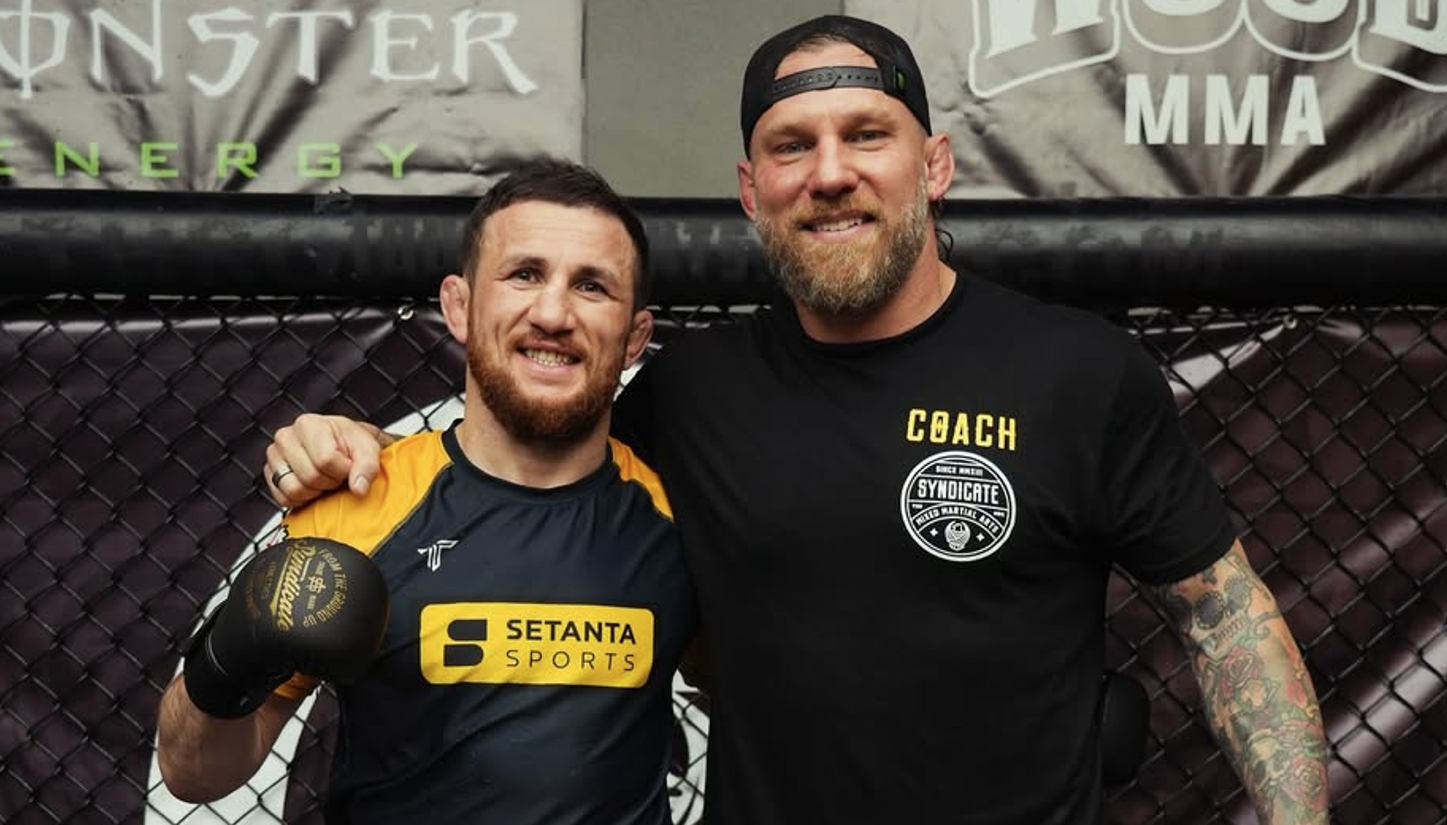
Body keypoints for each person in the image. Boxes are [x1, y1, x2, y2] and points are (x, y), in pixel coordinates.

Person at [264, 15, 1331, 825]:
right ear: (749, 188)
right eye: (791, 146)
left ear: (934, 164)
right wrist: (350, 449)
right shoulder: (689, 396)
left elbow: (1224, 617)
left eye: (865, 135)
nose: (829, 174)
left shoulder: (1077, 374)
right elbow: (521, 460)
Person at [157, 157, 698, 824]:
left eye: (591, 286)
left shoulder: (683, 522)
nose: (553, 312)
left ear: (635, 336)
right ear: (460, 307)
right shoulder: (359, 502)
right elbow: (190, 773)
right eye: (524, 274)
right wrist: (229, 656)